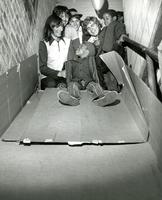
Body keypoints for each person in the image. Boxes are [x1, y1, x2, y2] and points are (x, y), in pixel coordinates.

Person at [57, 42, 118, 106]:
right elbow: (68, 76)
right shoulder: (71, 61)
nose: (78, 47)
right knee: (72, 85)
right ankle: (73, 99)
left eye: (81, 47)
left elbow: (95, 74)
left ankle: (102, 98)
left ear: (87, 52)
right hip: (76, 82)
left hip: (89, 82)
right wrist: (66, 85)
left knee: (95, 86)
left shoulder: (91, 61)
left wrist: (98, 83)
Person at [39, 13, 72, 90]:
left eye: (61, 26)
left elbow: (72, 61)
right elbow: (42, 68)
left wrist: (67, 70)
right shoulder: (44, 44)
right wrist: (58, 73)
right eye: (57, 26)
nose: (61, 29)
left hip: (64, 77)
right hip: (49, 77)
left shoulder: (67, 42)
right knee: (51, 85)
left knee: (67, 85)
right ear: (50, 27)